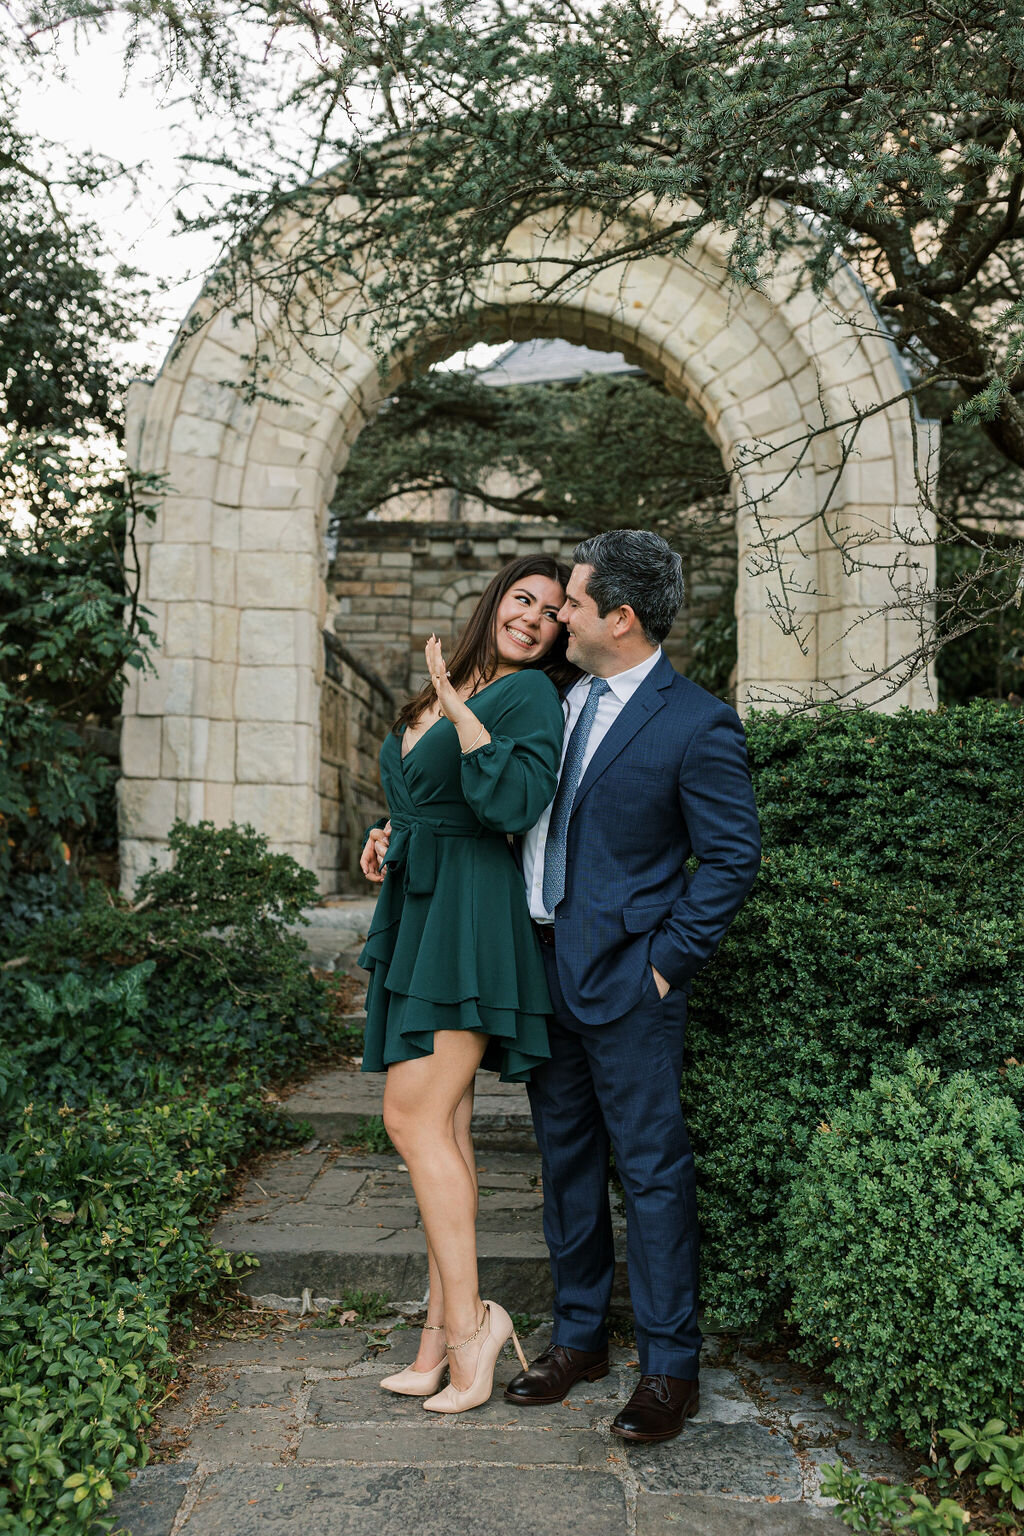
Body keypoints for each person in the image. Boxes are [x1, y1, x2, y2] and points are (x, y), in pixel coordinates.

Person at [504, 528, 761, 1444]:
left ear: (620, 616)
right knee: (565, 1165)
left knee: (651, 1173)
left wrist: (663, 964)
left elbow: (731, 860)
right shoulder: (549, 701)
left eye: (571, 601)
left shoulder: (697, 722)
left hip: (629, 985)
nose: (556, 613)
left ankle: (668, 1367)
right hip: (539, 974)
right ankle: (578, 1339)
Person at [357, 554, 578, 1415]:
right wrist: (385, 837)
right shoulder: (444, 688)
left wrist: (459, 706)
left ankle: (474, 1328)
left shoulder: (528, 697)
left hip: (469, 921)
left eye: (553, 612)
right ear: (497, 600)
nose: (533, 617)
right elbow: (423, 795)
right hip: (418, 909)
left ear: (561, 632)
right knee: (444, 1128)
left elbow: (515, 803)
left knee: (410, 1117)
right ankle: (437, 1336)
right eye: (523, 598)